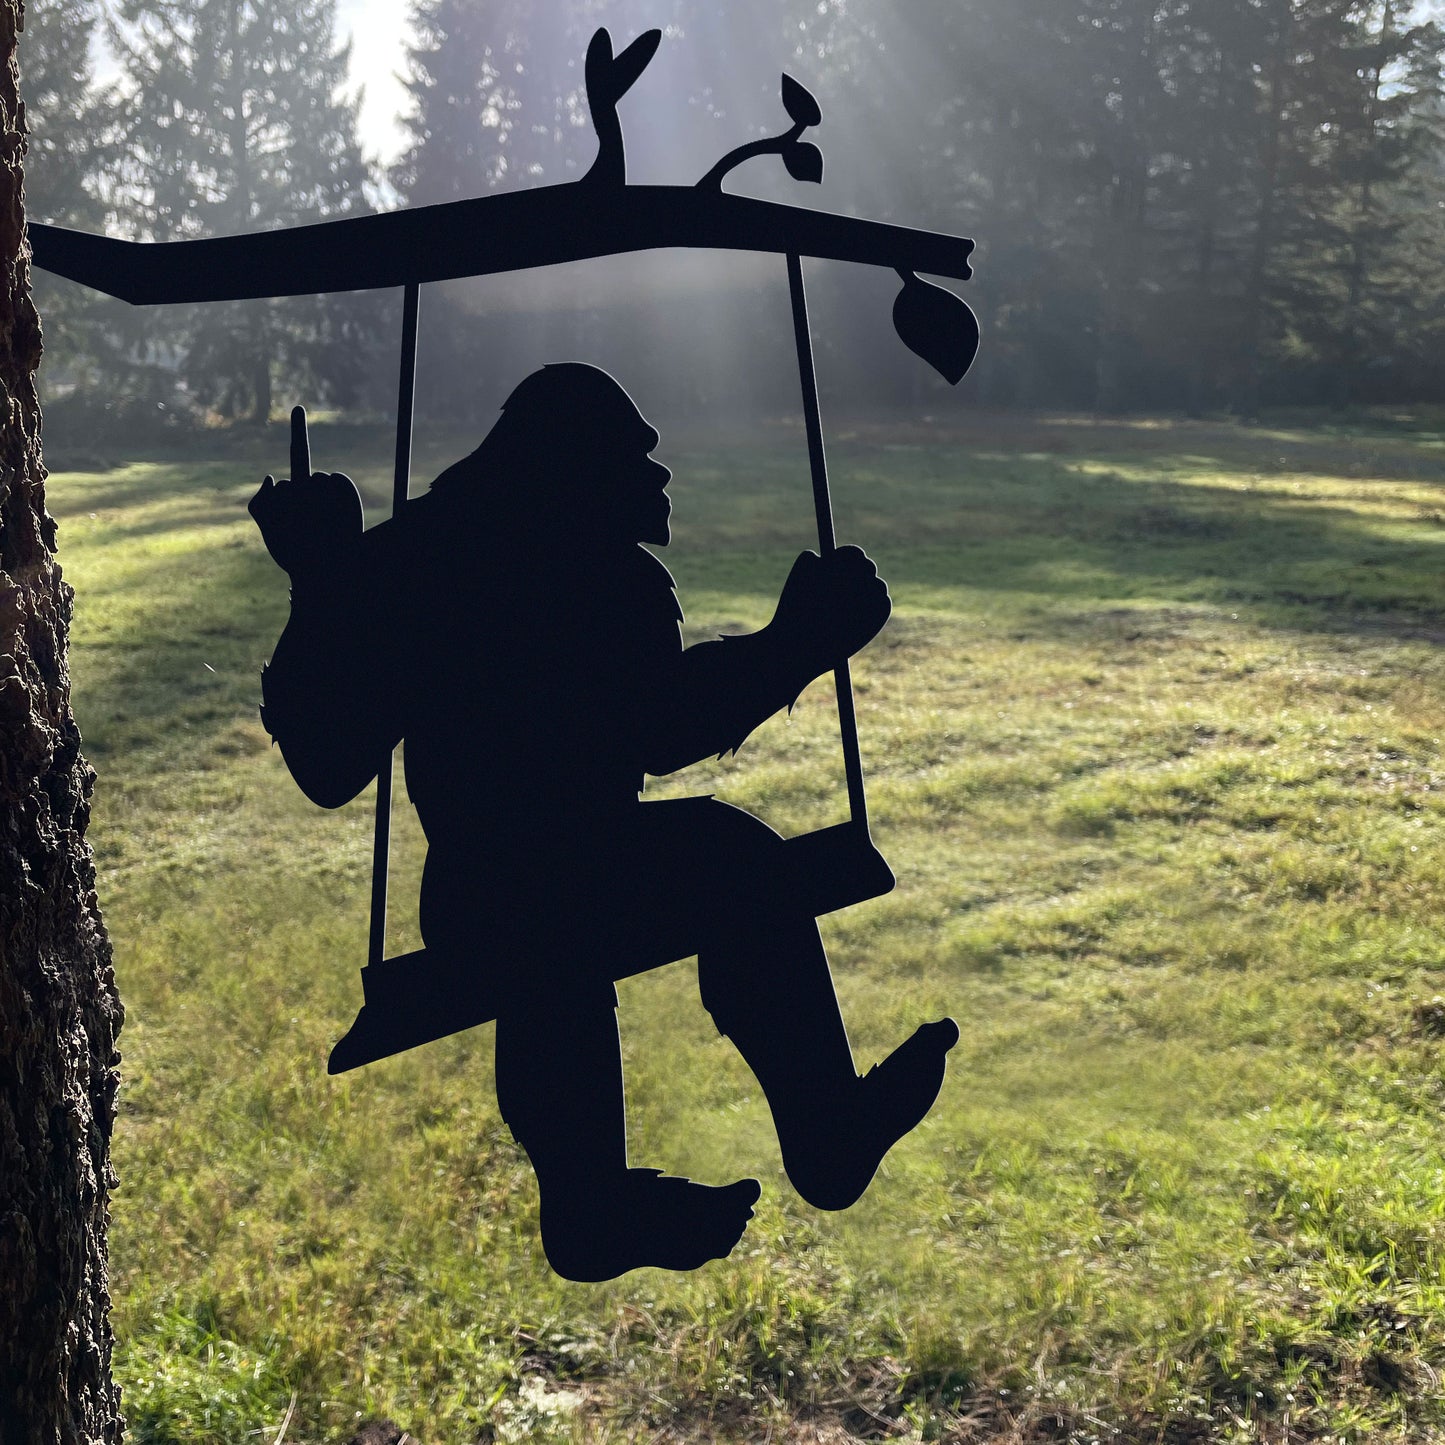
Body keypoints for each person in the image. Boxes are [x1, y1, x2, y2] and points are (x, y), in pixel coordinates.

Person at [250, 363, 958, 1281]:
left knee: (723, 861)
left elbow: (639, 724)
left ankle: (823, 1131)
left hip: (540, 871)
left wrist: (334, 581)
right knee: (575, 925)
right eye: (636, 458)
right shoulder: (482, 567)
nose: (657, 479)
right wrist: (798, 643)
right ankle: (605, 1199)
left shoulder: (437, 560)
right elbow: (654, 726)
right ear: (570, 469)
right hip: (498, 886)